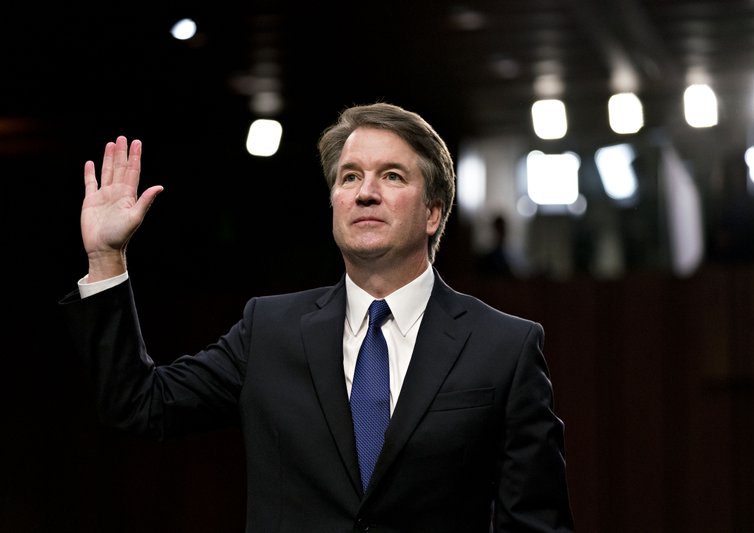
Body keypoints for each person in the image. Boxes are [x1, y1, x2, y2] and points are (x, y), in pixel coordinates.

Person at [59, 102, 574, 532]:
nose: (365, 191)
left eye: (391, 176)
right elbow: (140, 405)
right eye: (350, 177)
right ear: (334, 203)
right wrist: (107, 260)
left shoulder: (504, 347)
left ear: (434, 212)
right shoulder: (269, 330)